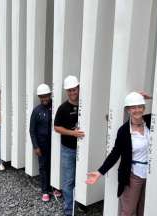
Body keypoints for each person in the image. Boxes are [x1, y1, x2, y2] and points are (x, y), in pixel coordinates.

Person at [85, 92, 152, 216]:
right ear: (127, 110)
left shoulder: (150, 121)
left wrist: (153, 97)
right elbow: (115, 153)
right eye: (133, 107)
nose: (137, 110)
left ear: (144, 107)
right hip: (133, 175)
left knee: (145, 209)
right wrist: (100, 172)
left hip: (150, 174)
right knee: (128, 211)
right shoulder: (124, 131)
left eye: (140, 106)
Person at [54, 75, 85, 216]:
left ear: (79, 89)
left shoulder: (84, 106)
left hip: (83, 149)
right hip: (68, 149)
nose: (73, 93)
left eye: (75, 89)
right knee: (68, 181)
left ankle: (80, 203)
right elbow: (56, 128)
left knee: (81, 178)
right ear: (67, 92)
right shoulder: (63, 108)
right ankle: (68, 211)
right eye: (70, 90)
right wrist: (72, 133)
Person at [30, 84, 62, 202]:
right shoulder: (36, 111)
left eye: (46, 96)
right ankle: (45, 190)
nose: (44, 99)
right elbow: (32, 130)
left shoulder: (55, 107)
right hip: (41, 144)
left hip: (54, 143)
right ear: (39, 97)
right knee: (43, 167)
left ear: (50, 95)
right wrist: (35, 146)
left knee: (54, 165)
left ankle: (55, 187)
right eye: (42, 97)